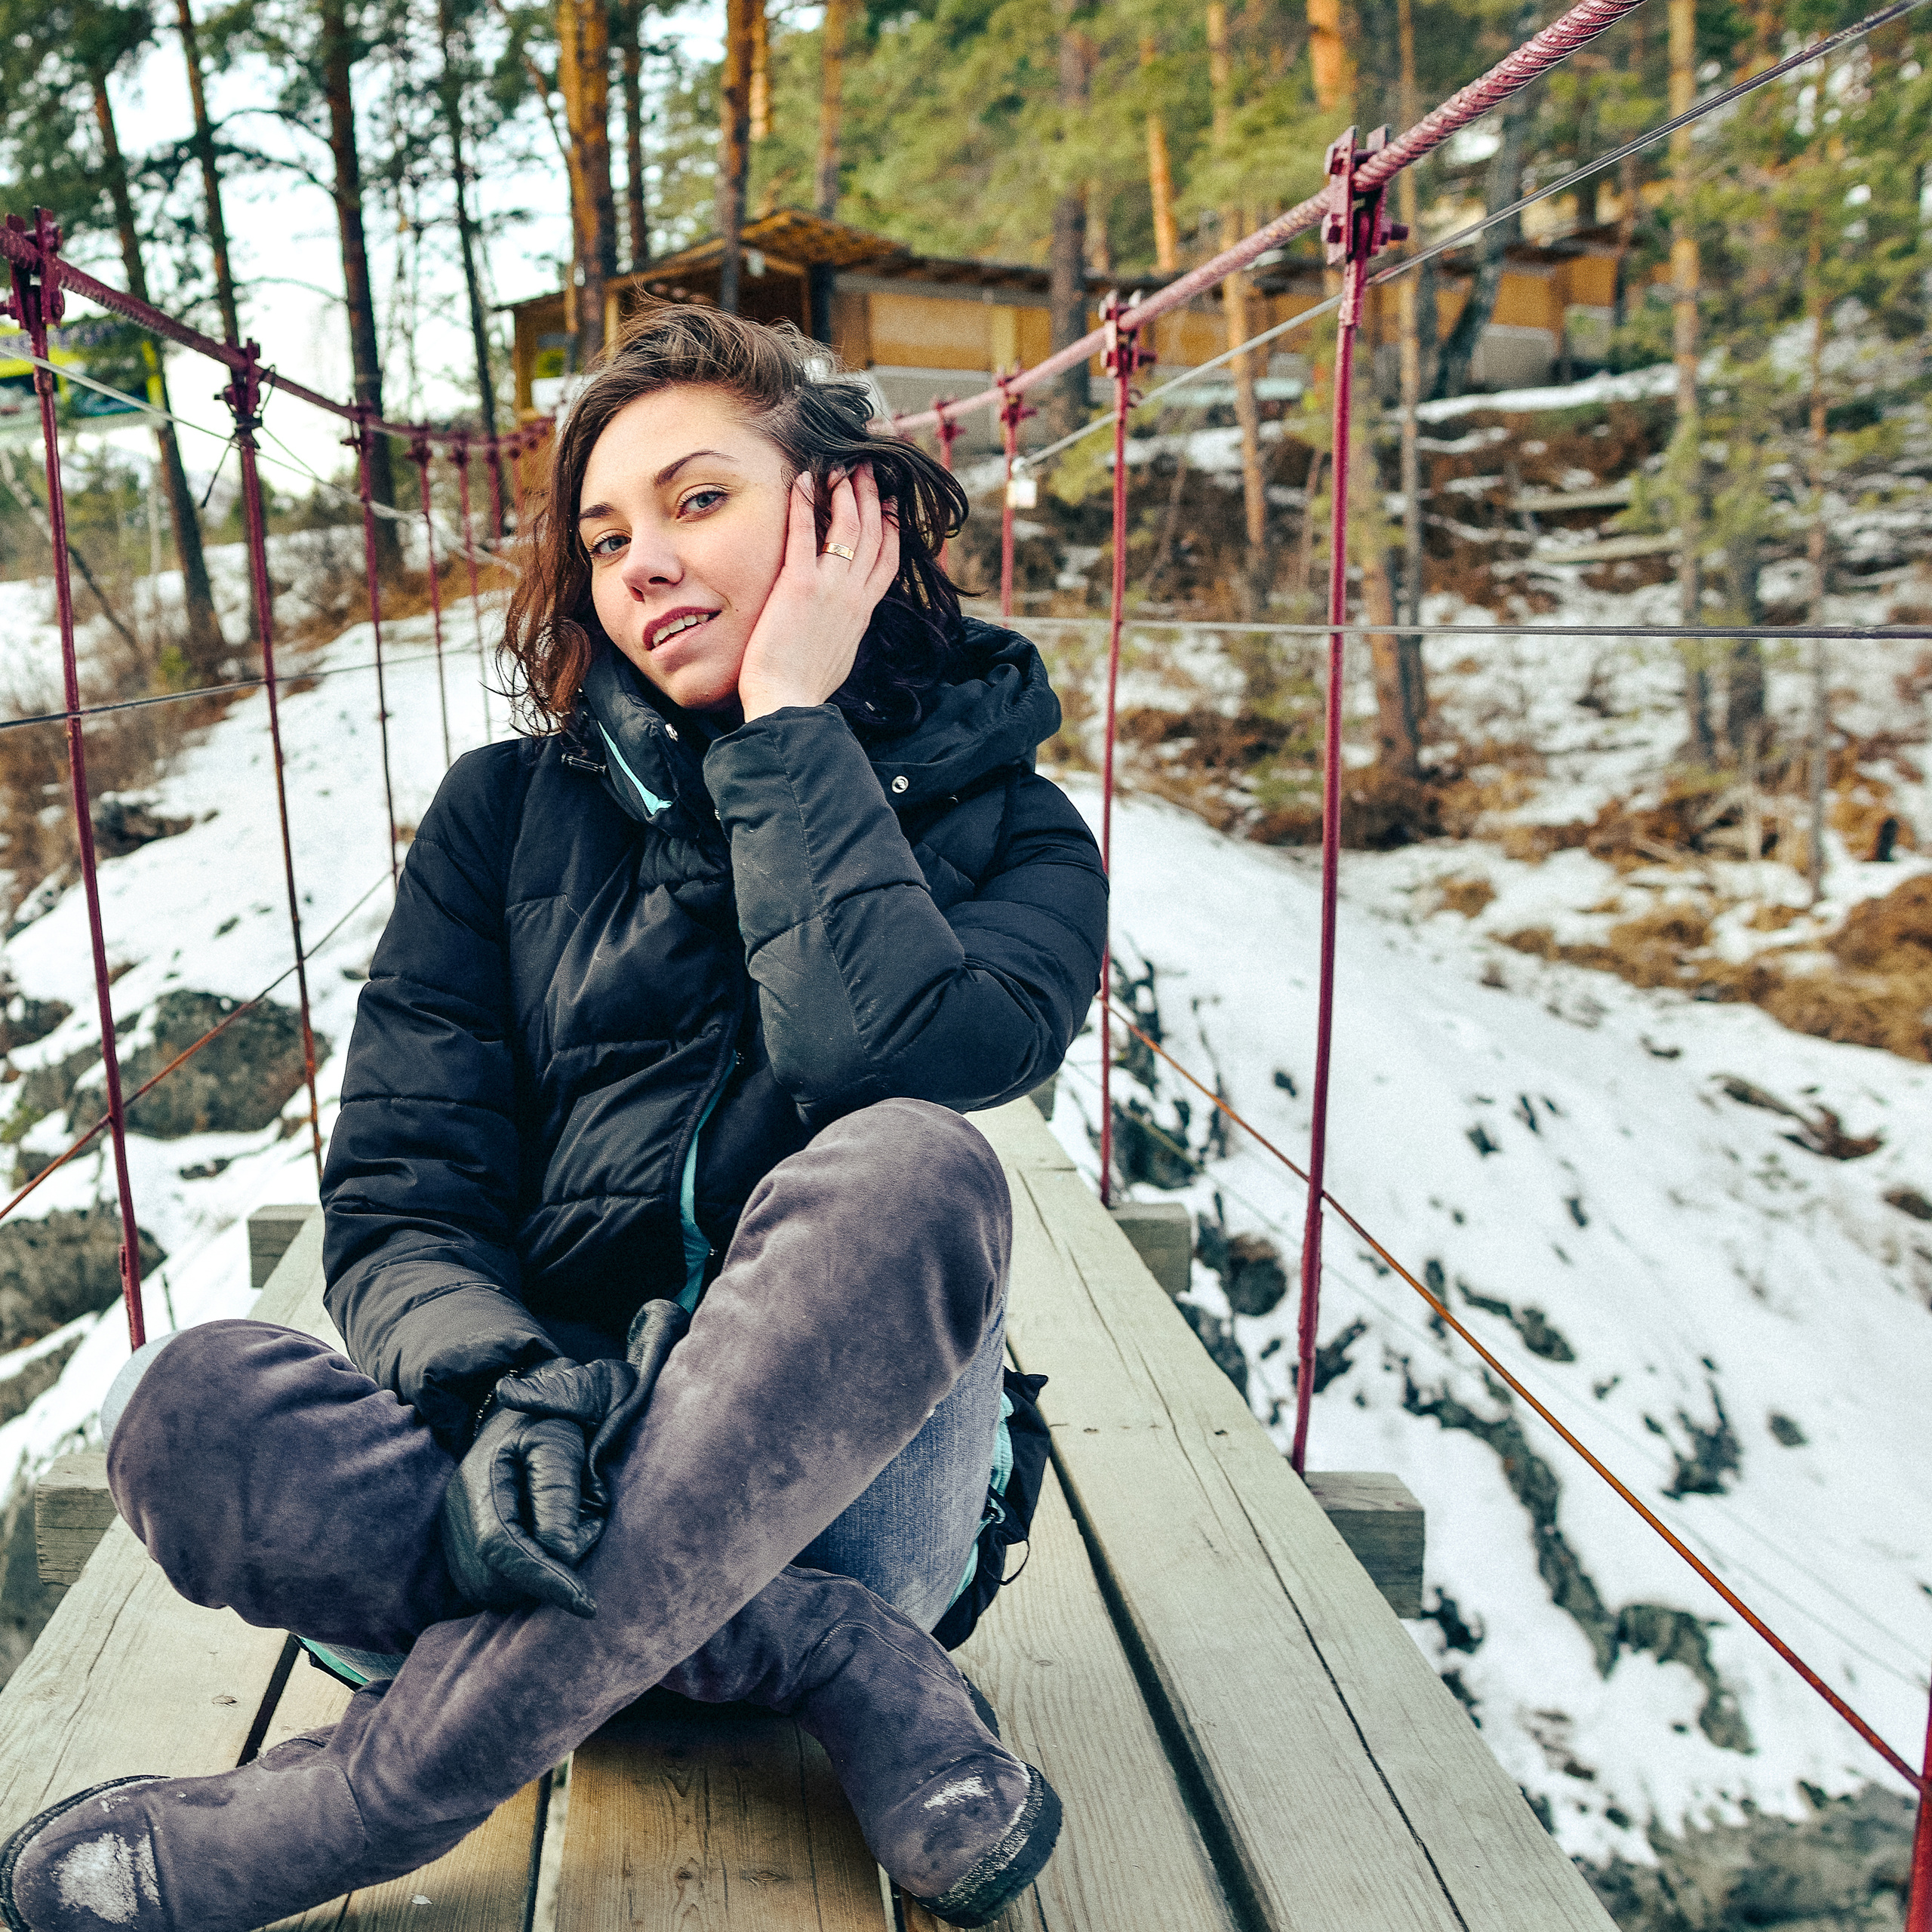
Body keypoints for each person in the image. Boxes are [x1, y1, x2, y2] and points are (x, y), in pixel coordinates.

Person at [0, 310, 1107, 1932]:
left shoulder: (1023, 838)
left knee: (913, 1164)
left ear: (843, 516)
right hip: (514, 1471)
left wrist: (793, 728)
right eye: (605, 536)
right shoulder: (500, 816)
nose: (644, 561)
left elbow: (884, 1057)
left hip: (849, 1492)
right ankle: (807, 1649)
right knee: (181, 1407)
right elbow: (400, 1195)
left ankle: (364, 1798)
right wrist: (518, 1393)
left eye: (698, 501)